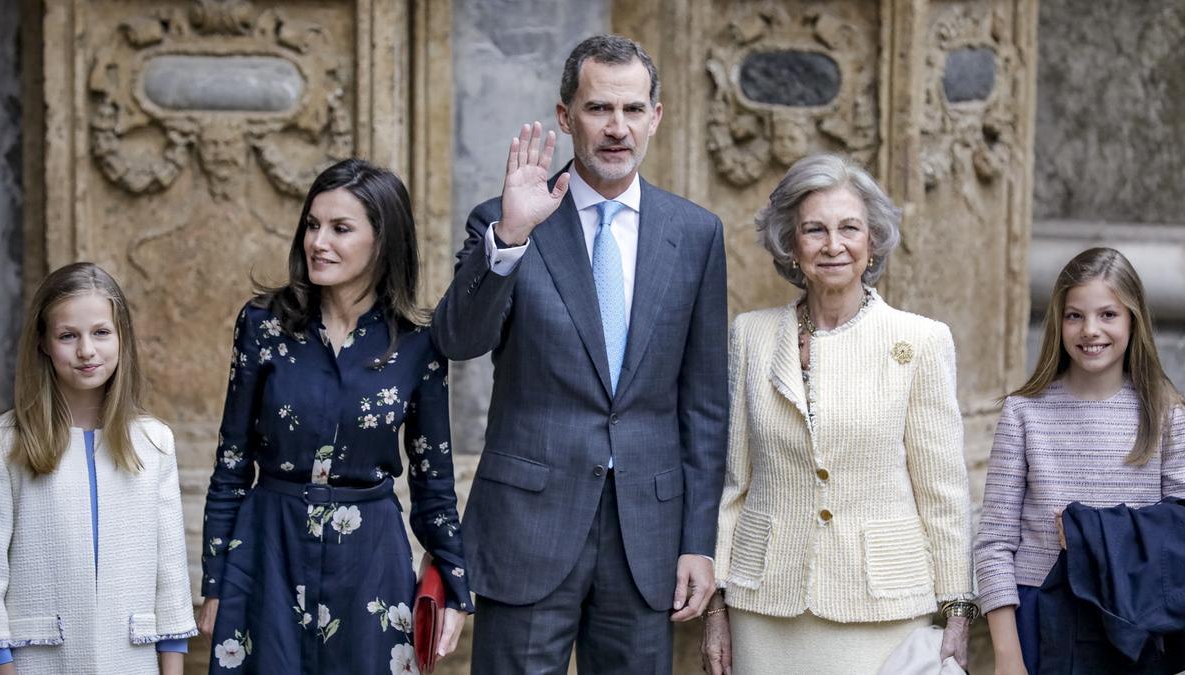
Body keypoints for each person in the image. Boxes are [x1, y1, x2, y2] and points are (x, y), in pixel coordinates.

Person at [433, 34, 728, 674]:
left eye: (631, 110)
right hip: (527, 526)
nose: (616, 128)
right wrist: (511, 236)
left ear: (656, 116)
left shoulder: (697, 234)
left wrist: (698, 542)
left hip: (645, 539)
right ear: (566, 117)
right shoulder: (507, 220)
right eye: (598, 109)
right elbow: (458, 341)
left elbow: (705, 405)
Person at [702, 154, 975, 674]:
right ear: (790, 242)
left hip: (882, 607)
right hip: (766, 606)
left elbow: (943, 490)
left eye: (849, 228)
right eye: (814, 230)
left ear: (872, 240)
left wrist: (958, 608)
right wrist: (716, 607)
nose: (833, 245)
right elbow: (730, 483)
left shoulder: (918, 341)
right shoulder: (750, 336)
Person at [196, 159, 471, 674]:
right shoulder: (263, 325)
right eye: (313, 225)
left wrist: (455, 587)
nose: (318, 242)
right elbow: (231, 462)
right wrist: (216, 579)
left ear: (382, 240)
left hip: (370, 557)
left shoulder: (419, 342)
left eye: (341, 229)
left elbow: (434, 478)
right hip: (266, 551)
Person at [974, 247, 1185, 675]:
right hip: (1037, 616)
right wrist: (1007, 654)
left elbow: (1180, 530)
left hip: (1135, 616)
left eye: (1108, 315)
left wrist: (1092, 533)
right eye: (1075, 316)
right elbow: (994, 542)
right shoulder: (1023, 412)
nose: (1090, 330)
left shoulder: (1164, 413)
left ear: (1133, 320)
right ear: (1058, 321)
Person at [0, 262, 196, 675]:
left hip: (131, 661)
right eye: (68, 336)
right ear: (44, 343)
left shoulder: (154, 443)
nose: (86, 350)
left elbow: (170, 578)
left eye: (101, 332)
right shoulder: (1, 444)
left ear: (122, 338)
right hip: (37, 664)